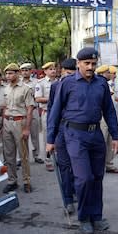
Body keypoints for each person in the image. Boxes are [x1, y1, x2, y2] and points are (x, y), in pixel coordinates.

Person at [47, 48, 118, 234]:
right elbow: (55, 112)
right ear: (78, 63)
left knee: (97, 177)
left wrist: (116, 136)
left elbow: (109, 111)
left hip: (95, 134)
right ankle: (84, 217)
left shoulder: (101, 84)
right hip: (74, 135)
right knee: (84, 178)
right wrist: (51, 139)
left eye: (93, 64)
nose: (90, 67)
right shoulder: (67, 84)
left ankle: (96, 215)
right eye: (86, 63)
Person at [47, 58, 77, 214]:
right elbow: (52, 112)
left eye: (72, 73)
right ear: (62, 72)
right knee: (64, 166)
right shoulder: (55, 86)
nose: (68, 76)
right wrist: (50, 138)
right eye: (67, 73)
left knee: (77, 167)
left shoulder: (82, 85)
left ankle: (75, 191)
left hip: (78, 132)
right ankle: (68, 200)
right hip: (60, 132)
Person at [2, 63, 35, 194]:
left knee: (24, 154)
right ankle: (12, 181)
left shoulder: (26, 89)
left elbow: (30, 109)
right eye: (7, 73)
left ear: (17, 73)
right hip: (7, 122)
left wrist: (27, 128)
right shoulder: (6, 89)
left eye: (11, 73)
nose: (8, 76)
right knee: (9, 154)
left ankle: (26, 181)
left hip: (20, 122)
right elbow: (5, 106)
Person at [96, 64, 118, 174]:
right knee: (102, 140)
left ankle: (108, 164)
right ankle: (100, 165)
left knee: (109, 140)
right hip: (102, 117)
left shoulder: (109, 84)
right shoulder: (100, 84)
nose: (114, 75)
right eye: (112, 73)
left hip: (110, 115)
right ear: (103, 74)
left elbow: (112, 97)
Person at [35, 62, 58, 171]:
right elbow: (38, 99)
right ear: (45, 71)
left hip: (59, 113)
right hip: (47, 112)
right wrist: (54, 99)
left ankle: (58, 158)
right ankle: (48, 160)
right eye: (50, 69)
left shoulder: (60, 82)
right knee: (47, 137)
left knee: (59, 136)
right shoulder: (41, 83)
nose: (53, 71)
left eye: (54, 69)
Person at [21, 62, 44, 164]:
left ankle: (37, 155)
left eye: (27, 70)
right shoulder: (18, 82)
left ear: (31, 71)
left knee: (35, 134)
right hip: (21, 111)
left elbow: (37, 96)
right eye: (23, 70)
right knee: (22, 135)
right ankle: (23, 156)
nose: (25, 72)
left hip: (33, 110)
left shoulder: (36, 83)